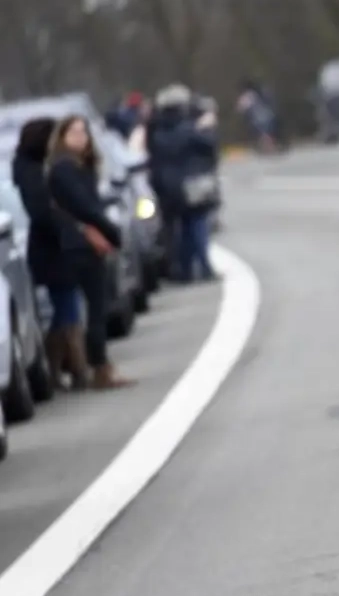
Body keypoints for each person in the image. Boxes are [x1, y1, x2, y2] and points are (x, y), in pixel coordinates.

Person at [44, 115, 134, 389]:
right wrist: (111, 231)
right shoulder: (64, 168)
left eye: (83, 132)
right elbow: (85, 206)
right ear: (62, 137)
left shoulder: (81, 166)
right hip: (80, 244)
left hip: (82, 242)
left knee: (92, 308)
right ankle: (98, 368)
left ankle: (91, 365)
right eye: (73, 132)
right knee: (94, 308)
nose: (80, 137)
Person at [11, 117, 89, 390]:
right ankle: (78, 369)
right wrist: (68, 225)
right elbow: (42, 212)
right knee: (68, 308)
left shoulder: (33, 169)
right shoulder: (32, 173)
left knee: (64, 309)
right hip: (51, 250)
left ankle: (58, 370)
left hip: (54, 247)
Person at [146, 83, 221, 282]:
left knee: (176, 229)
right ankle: (203, 266)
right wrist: (207, 128)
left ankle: (183, 270)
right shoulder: (189, 128)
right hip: (191, 184)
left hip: (165, 186)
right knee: (197, 224)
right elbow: (209, 146)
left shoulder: (155, 129)